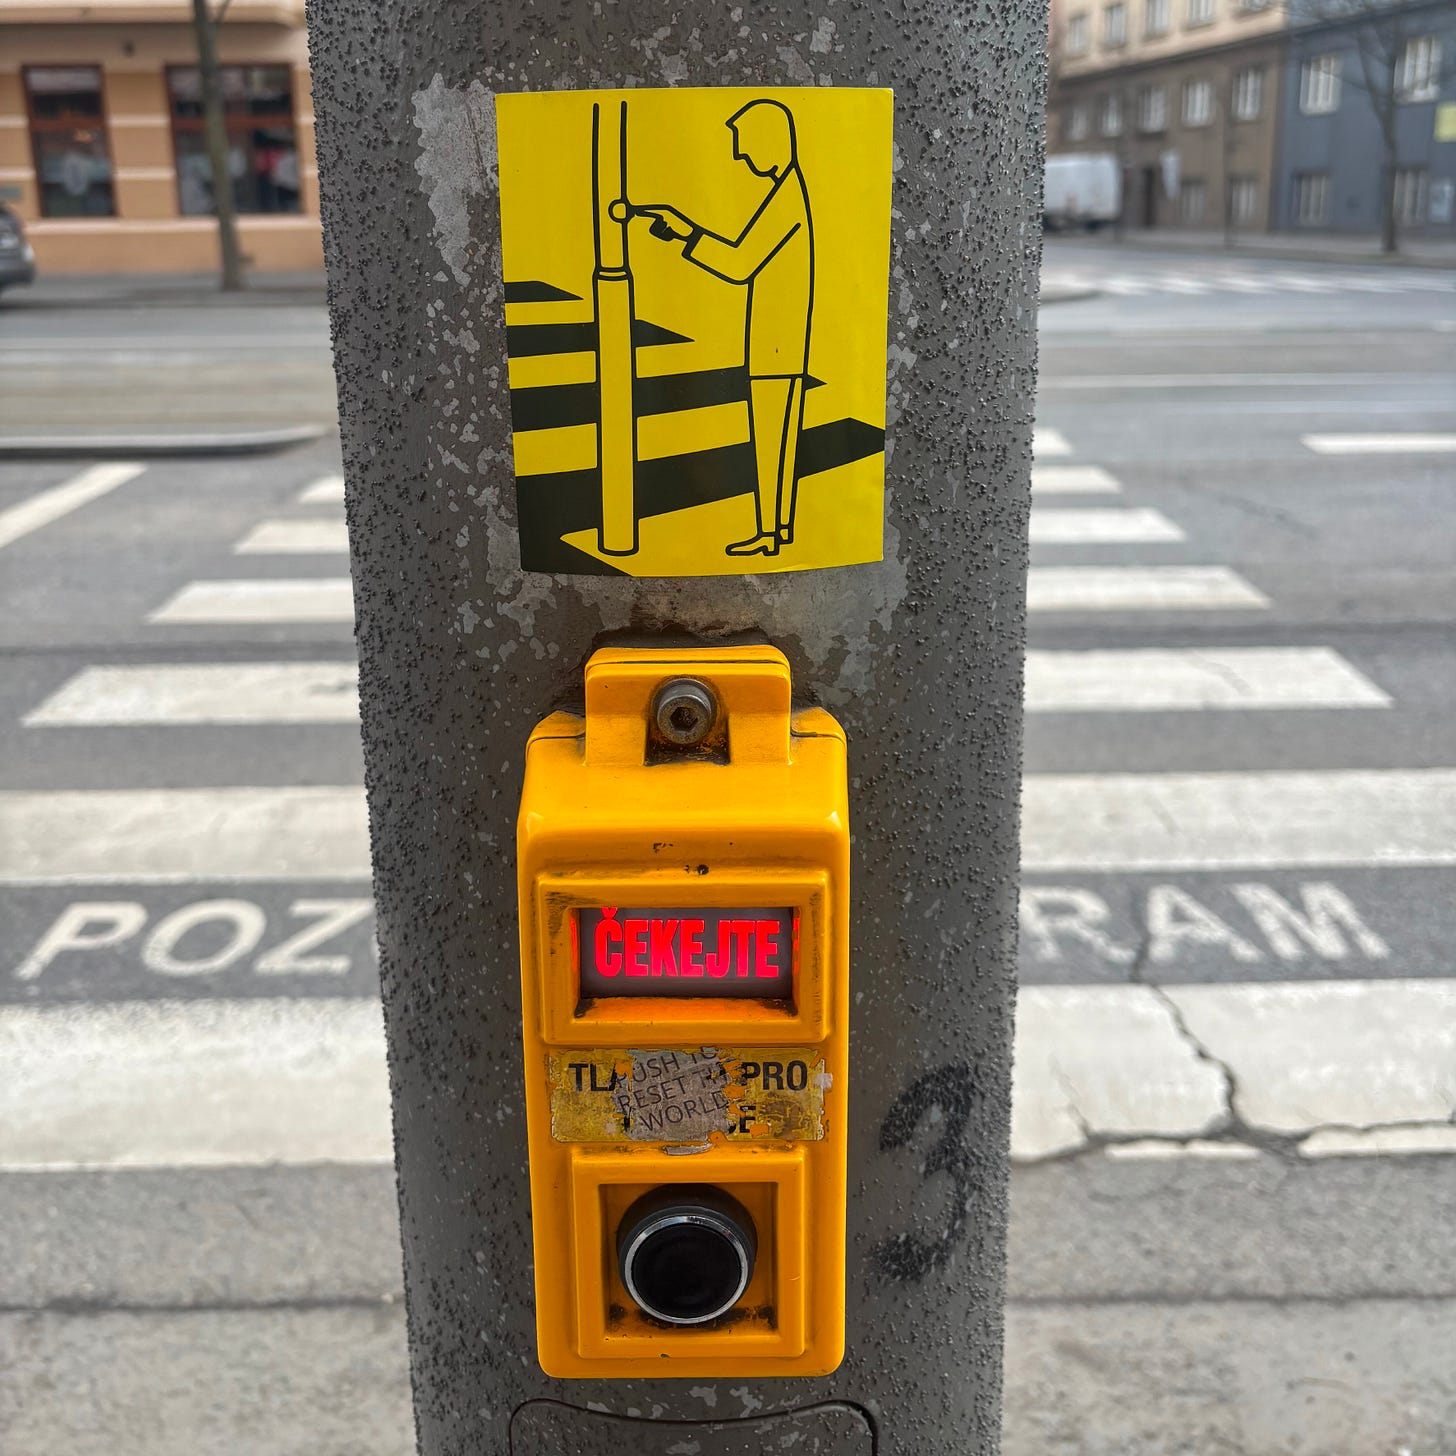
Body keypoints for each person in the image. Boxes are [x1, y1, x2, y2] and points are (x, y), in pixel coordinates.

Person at [640, 100, 813, 558]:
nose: (740, 155)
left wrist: (686, 233)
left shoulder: (786, 197)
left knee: (772, 439)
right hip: (783, 341)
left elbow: (739, 264)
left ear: (770, 139)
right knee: (781, 440)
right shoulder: (789, 190)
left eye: (744, 143)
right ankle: (779, 529)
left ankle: (770, 532)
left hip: (776, 345)